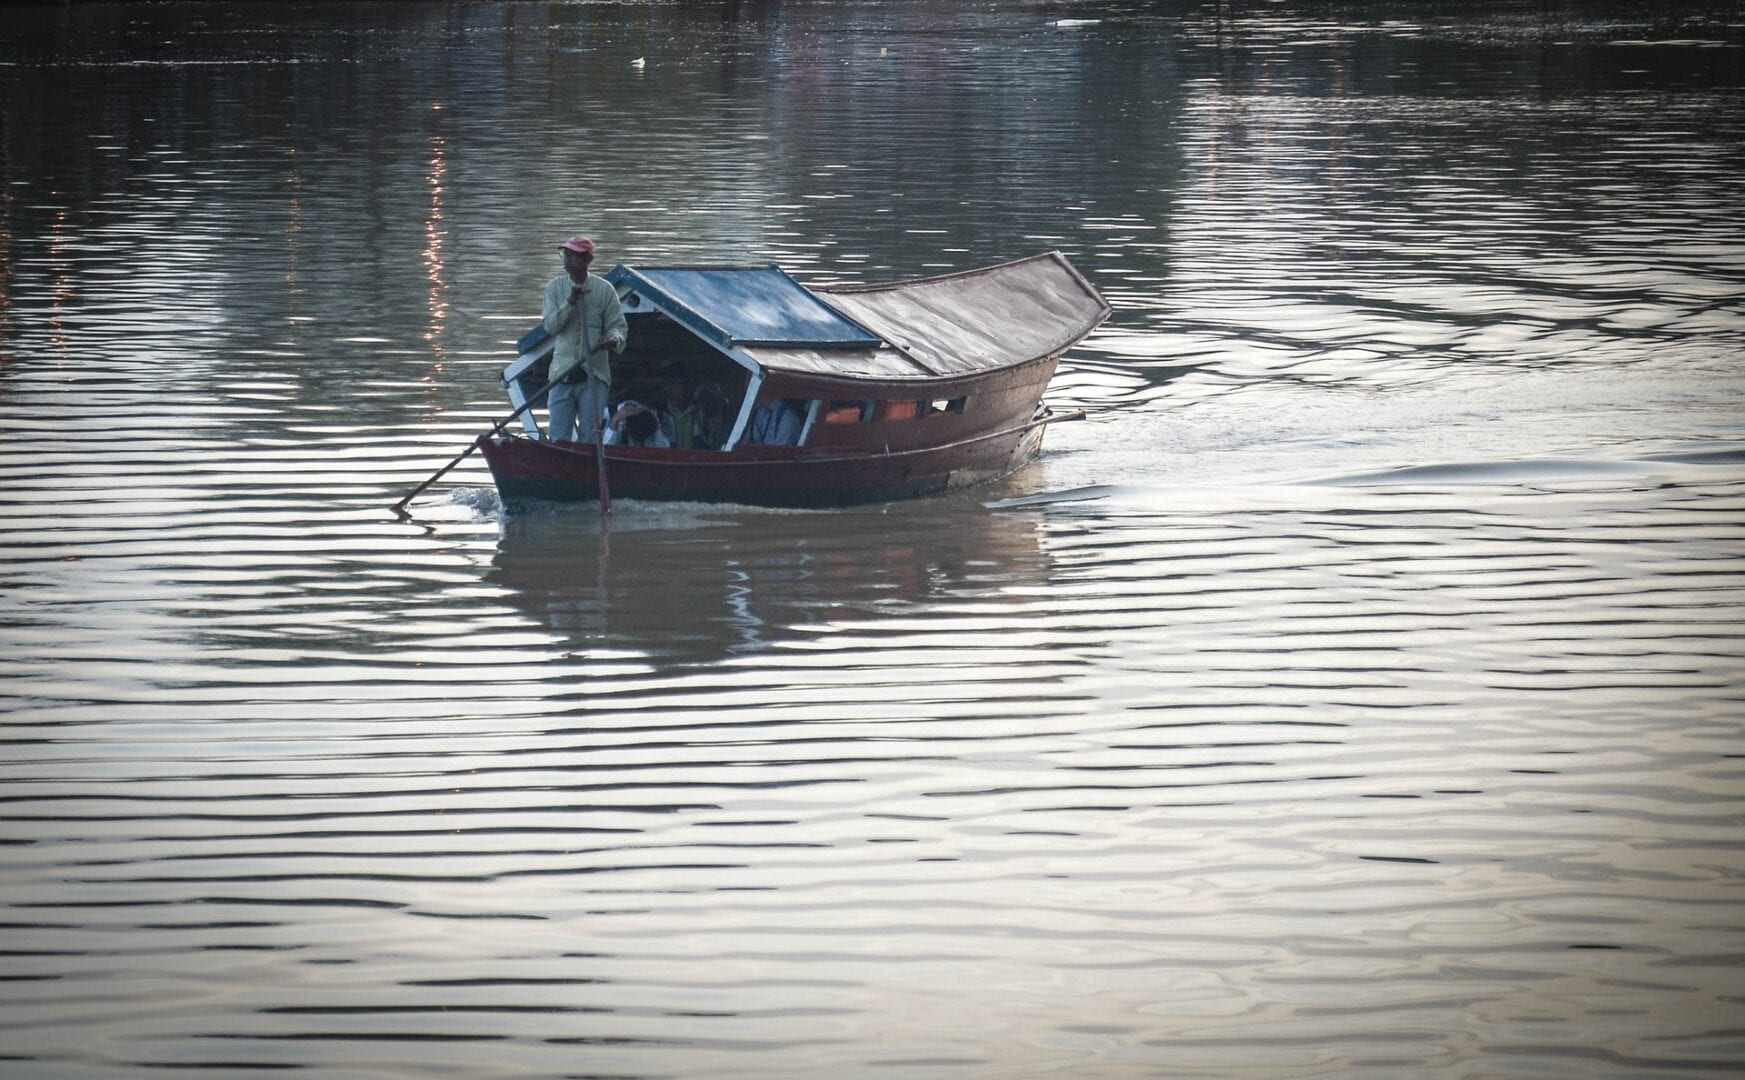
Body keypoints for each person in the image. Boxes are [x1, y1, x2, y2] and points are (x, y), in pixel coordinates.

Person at [542, 235, 628, 443]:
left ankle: (587, 471)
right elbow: (550, 326)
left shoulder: (604, 290)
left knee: (591, 437)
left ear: (588, 260)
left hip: (594, 375)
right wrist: (570, 302)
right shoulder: (554, 288)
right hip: (562, 373)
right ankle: (560, 470)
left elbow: (618, 327)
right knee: (559, 436)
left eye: (574, 256)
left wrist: (612, 341)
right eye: (566, 254)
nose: (568, 259)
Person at [602, 400, 670, 447]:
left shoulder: (659, 416)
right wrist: (614, 421)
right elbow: (604, 453)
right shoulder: (607, 414)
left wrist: (657, 425)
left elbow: (664, 451)